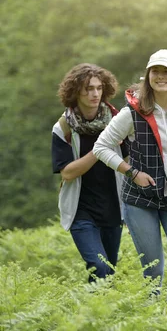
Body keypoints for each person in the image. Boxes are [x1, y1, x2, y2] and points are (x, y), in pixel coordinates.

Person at [93, 49, 167, 304]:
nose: (160, 76)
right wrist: (131, 172)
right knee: (153, 271)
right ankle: (153, 320)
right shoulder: (130, 113)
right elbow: (101, 147)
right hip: (140, 200)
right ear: (148, 75)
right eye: (156, 71)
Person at [52, 63, 127, 283]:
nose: (95, 94)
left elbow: (130, 160)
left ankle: (94, 315)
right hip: (80, 210)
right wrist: (101, 147)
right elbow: (67, 173)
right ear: (76, 92)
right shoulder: (63, 128)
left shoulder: (118, 122)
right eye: (88, 89)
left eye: (98, 88)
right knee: (99, 266)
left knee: (107, 275)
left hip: (113, 209)